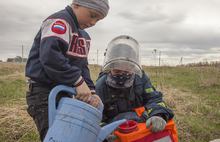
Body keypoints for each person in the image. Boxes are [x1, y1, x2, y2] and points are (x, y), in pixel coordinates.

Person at [25, 0, 109, 141]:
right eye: (92, 15)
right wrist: (77, 81)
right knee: (55, 136)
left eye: (98, 20)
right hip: (44, 93)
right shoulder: (60, 22)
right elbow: (50, 57)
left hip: (64, 91)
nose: (94, 22)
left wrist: (91, 91)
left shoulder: (84, 36)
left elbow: (82, 66)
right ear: (76, 4)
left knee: (70, 134)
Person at [95, 35, 174, 135]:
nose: (122, 74)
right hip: (117, 132)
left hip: (141, 127)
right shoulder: (101, 85)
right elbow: (96, 117)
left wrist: (158, 115)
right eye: (117, 70)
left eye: (127, 69)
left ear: (133, 66)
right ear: (110, 67)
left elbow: (153, 98)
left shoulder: (140, 79)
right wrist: (105, 133)